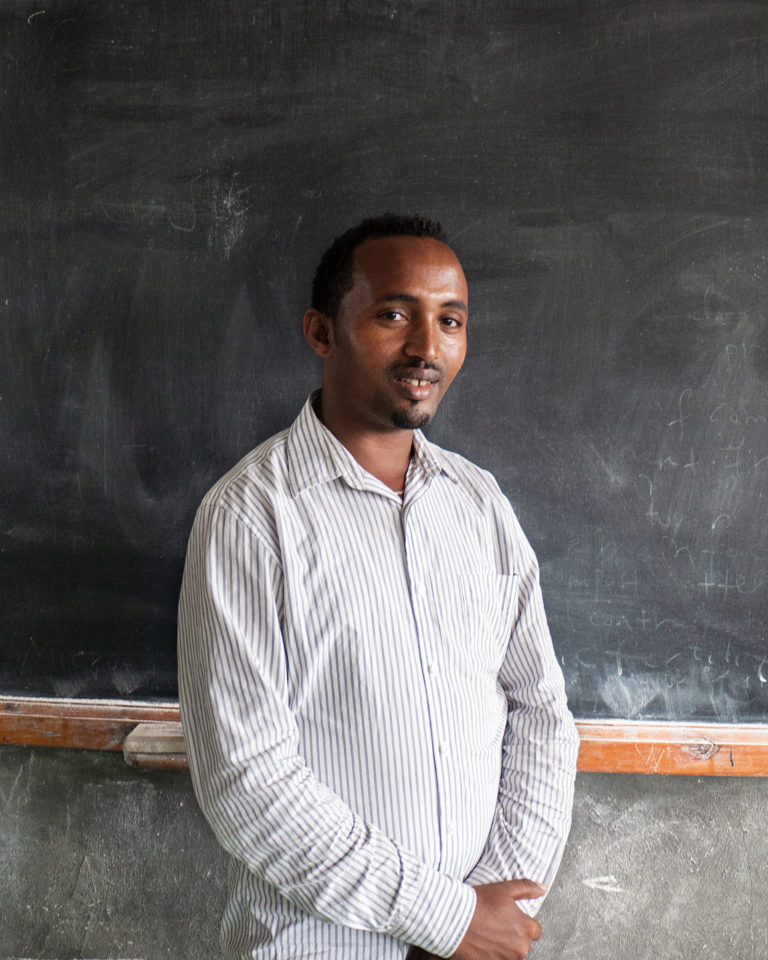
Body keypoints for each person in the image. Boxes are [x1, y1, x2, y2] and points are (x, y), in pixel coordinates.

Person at [177, 214, 579, 960]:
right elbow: (247, 783)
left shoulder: (480, 505)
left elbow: (540, 712)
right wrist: (444, 918)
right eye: (394, 314)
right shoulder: (249, 518)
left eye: (450, 320)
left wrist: (496, 904)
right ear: (323, 333)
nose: (428, 347)